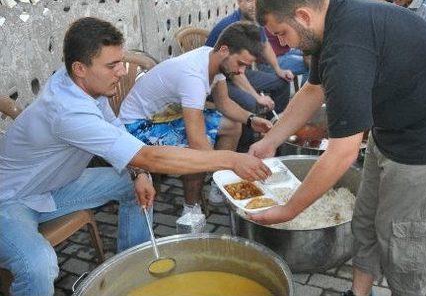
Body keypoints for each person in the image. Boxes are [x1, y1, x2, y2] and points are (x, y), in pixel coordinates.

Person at [247, 0, 426, 296]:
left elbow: (342, 153)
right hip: (394, 127)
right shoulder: (330, 22)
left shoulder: (347, 49)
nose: (282, 42)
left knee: (404, 242)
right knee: (366, 220)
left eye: (282, 33)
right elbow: (313, 90)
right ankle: (359, 293)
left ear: (303, 14)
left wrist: (289, 210)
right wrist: (271, 139)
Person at [0, 17, 270, 296]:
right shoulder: (67, 110)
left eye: (121, 61)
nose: (121, 71)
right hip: (11, 199)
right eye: (112, 65)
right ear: (80, 68)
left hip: (56, 187)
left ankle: (132, 270)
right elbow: (151, 157)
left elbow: (119, 132)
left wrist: (139, 173)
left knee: (137, 185)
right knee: (38, 265)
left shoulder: (84, 85)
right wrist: (232, 159)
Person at [119, 21, 273, 211]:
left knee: (233, 126)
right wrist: (235, 165)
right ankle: (191, 209)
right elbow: (197, 144)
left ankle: (218, 187)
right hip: (138, 125)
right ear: (224, 50)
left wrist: (251, 120)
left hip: (167, 117)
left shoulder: (214, 58)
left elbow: (224, 103)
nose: (241, 72)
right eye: (240, 64)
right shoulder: (193, 77)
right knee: (199, 151)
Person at [204, 0, 292, 114]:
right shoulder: (232, 27)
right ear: (239, 2)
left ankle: (273, 124)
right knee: (251, 102)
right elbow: (233, 71)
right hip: (216, 79)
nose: (254, 6)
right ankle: (251, 132)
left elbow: (265, 45)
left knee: (282, 83)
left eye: (258, 1)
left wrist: (278, 69)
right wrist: (257, 97)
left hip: (238, 73)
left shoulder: (256, 21)